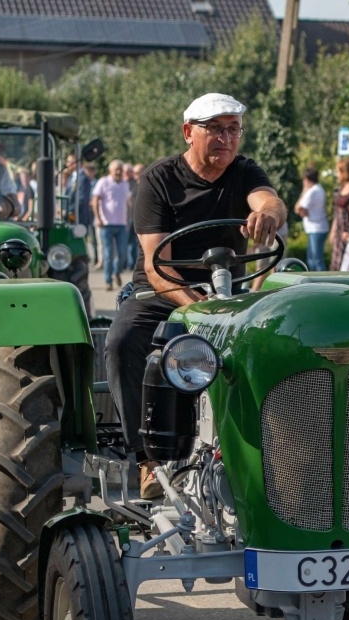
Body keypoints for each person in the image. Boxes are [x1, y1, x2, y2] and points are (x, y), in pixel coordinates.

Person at [104, 92, 286, 497]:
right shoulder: (159, 179)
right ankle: (148, 460)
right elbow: (157, 264)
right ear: (189, 132)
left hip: (226, 291)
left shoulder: (244, 172)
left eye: (233, 129)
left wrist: (269, 214)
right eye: (216, 129)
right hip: (161, 291)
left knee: (280, 344)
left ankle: (277, 455)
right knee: (122, 341)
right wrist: (195, 307)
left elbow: (268, 199)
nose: (226, 138)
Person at [92, 160, 131, 290]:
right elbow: (95, 201)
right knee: (108, 253)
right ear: (111, 171)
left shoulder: (125, 184)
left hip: (121, 224)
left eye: (120, 169)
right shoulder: (103, 182)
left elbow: (127, 203)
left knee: (122, 252)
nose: (118, 172)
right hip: (106, 224)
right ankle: (108, 281)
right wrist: (98, 218)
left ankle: (117, 272)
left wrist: (129, 218)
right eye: (116, 170)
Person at [295, 166, 329, 271]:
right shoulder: (319, 189)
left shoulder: (312, 191)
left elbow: (298, 208)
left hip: (316, 228)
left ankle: (324, 284)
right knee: (312, 260)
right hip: (316, 228)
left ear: (307, 179)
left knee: (316, 261)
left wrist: (303, 191)